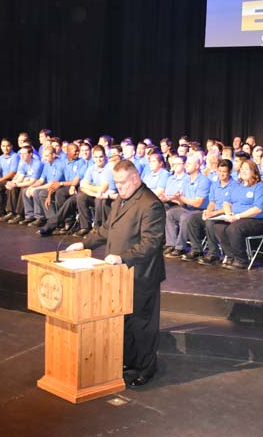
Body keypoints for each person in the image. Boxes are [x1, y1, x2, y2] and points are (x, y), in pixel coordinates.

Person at [66, 160, 165, 387]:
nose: (118, 188)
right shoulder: (122, 198)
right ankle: (130, 361)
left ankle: (146, 368)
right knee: (125, 321)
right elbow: (107, 228)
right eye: (116, 183)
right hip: (118, 273)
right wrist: (84, 244)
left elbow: (151, 243)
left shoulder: (151, 204)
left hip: (141, 274)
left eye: (122, 183)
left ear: (135, 179)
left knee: (142, 323)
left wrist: (123, 257)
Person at [211, 160, 263, 270]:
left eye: (247, 169)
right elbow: (226, 202)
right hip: (236, 217)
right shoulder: (237, 186)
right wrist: (228, 213)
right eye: (242, 169)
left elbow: (257, 209)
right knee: (218, 226)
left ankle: (241, 260)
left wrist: (237, 216)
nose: (243, 171)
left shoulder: (260, 187)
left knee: (234, 228)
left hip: (257, 220)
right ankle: (230, 256)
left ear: (254, 172)